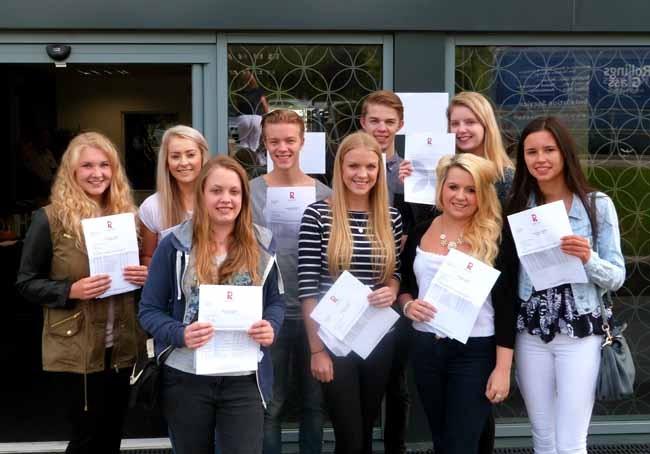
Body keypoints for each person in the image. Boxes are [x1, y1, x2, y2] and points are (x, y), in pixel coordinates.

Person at [138, 155, 285, 454]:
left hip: (244, 378)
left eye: (234, 191)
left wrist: (271, 325)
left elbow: (275, 302)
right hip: (187, 377)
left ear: (243, 197)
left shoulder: (262, 243)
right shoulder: (174, 243)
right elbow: (148, 311)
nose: (225, 199)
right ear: (201, 194)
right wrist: (180, 333)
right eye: (216, 191)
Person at [15, 131, 148, 454]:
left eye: (104, 164)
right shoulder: (49, 218)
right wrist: (70, 289)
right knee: (87, 438)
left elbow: (140, 281)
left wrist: (144, 275)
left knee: (112, 434)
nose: (97, 173)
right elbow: (26, 282)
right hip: (76, 347)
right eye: (87, 165)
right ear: (71, 172)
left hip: (121, 346)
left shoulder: (128, 216)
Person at [398, 91, 515, 452]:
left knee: (459, 446)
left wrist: (502, 368)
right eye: (453, 188)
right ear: (441, 189)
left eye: (470, 190)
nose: (461, 196)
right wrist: (406, 305)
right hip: (426, 348)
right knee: (442, 440)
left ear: (484, 195)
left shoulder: (496, 236)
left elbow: (508, 303)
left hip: (475, 351)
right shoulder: (423, 230)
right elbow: (405, 281)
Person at [508, 117, 625, 454]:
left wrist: (588, 258)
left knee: (572, 441)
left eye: (549, 149)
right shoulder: (519, 206)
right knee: (543, 436)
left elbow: (617, 276)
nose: (540, 158)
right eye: (531, 152)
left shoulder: (596, 205)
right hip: (530, 333)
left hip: (580, 333)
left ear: (565, 153)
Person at [298, 131, 403, 454]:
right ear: (340, 168)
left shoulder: (392, 218)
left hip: (377, 337)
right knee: (349, 435)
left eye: (371, 167)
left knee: (367, 426)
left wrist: (392, 290)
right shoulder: (317, 215)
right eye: (353, 166)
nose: (362, 174)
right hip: (334, 339)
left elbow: (395, 274)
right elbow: (307, 288)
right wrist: (317, 351)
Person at [250, 109, 331, 454]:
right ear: (265, 144)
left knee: (315, 405)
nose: (282, 148)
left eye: (289, 140)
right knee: (272, 404)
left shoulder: (325, 193)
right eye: (274, 141)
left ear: (302, 142)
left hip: (315, 312)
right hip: (269, 313)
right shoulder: (250, 191)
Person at [359, 89, 411, 454]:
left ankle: (395, 447)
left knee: (397, 380)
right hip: (357, 288)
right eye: (375, 120)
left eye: (389, 122)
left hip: (399, 284)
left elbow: (423, 229)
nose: (381, 128)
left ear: (400, 125)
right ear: (363, 122)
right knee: (357, 376)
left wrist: (408, 191)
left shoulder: (413, 170)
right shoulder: (349, 164)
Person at [139, 125, 209, 266]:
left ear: (202, 157)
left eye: (190, 155)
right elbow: (147, 257)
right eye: (175, 156)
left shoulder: (219, 201)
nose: (183, 162)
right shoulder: (152, 206)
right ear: (166, 161)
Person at [236, 70, 271, 151]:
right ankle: (252, 161)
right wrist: (267, 115)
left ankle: (243, 160)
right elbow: (264, 104)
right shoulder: (259, 91)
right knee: (254, 145)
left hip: (243, 117)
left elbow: (237, 106)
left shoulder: (239, 92)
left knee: (243, 143)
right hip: (256, 118)